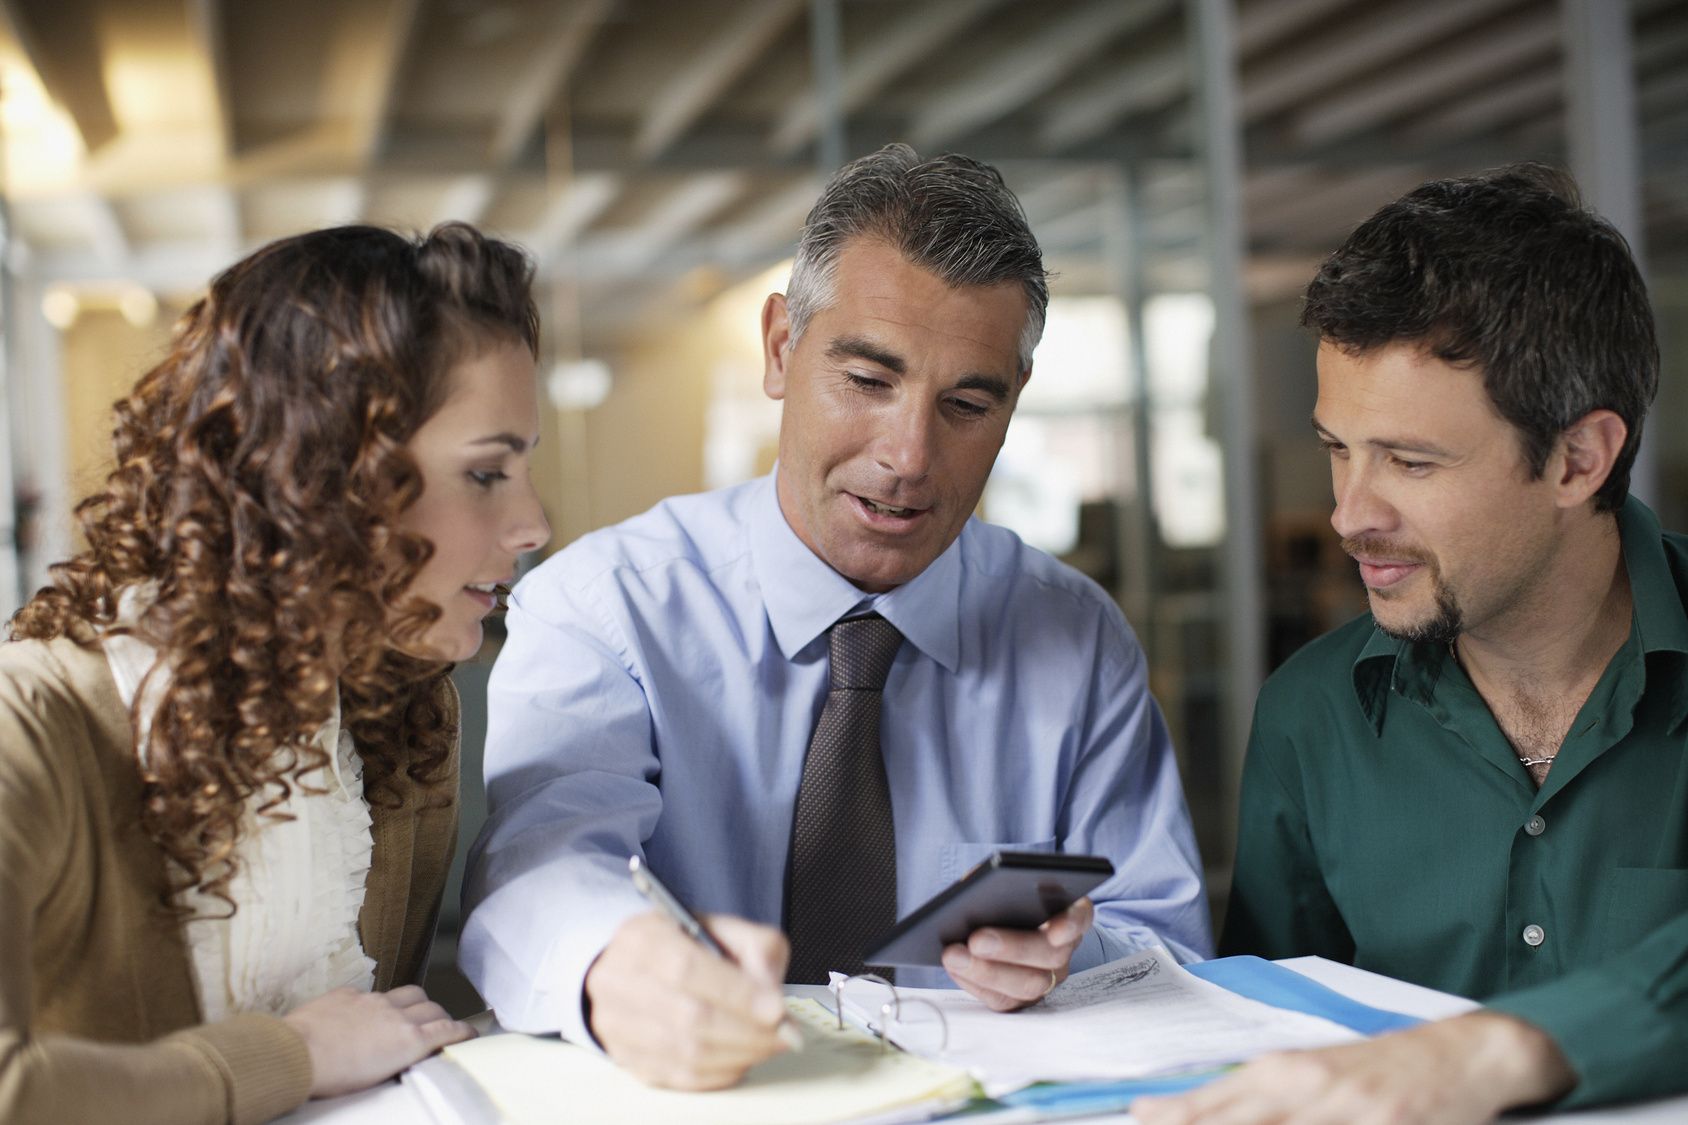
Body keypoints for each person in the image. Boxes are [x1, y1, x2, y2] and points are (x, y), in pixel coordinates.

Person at [462, 143, 1210, 1090]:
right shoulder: (606, 607)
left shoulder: (1078, 637)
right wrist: (616, 963)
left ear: (1014, 404)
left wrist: (1080, 954)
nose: (908, 455)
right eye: (867, 381)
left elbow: (1169, 944)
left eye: (968, 404)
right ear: (781, 348)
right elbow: (543, 862)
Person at [1135, 164, 1684, 1125]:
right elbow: (1267, 1033)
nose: (1349, 513)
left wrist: (1489, 1056)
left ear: (1577, 458)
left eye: (1411, 462)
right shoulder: (1310, 713)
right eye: (1338, 448)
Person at [0, 223, 551, 1123]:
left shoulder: (405, 715)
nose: (533, 523)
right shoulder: (33, 723)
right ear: (322, 477)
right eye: (487, 472)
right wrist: (288, 1056)